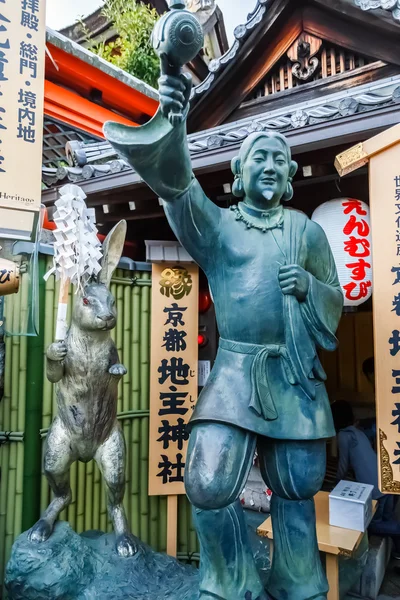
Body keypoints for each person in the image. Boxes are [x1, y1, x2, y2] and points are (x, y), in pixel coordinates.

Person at [104, 65, 343, 600]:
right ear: (238, 169)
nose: (271, 165)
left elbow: (336, 297)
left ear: (289, 176)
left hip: (293, 375)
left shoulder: (306, 231)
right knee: (208, 482)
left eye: (280, 160)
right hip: (235, 371)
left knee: (298, 486)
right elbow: (179, 189)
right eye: (260, 155)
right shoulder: (221, 225)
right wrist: (174, 119)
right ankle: (231, 582)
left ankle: (298, 582)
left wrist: (307, 285)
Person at [332, 399, 400, 558]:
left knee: (371, 525)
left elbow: (342, 466)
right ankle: (397, 552)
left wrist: (335, 486)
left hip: (374, 491)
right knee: (386, 520)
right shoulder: (358, 432)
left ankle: (398, 530)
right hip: (385, 483)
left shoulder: (344, 436)